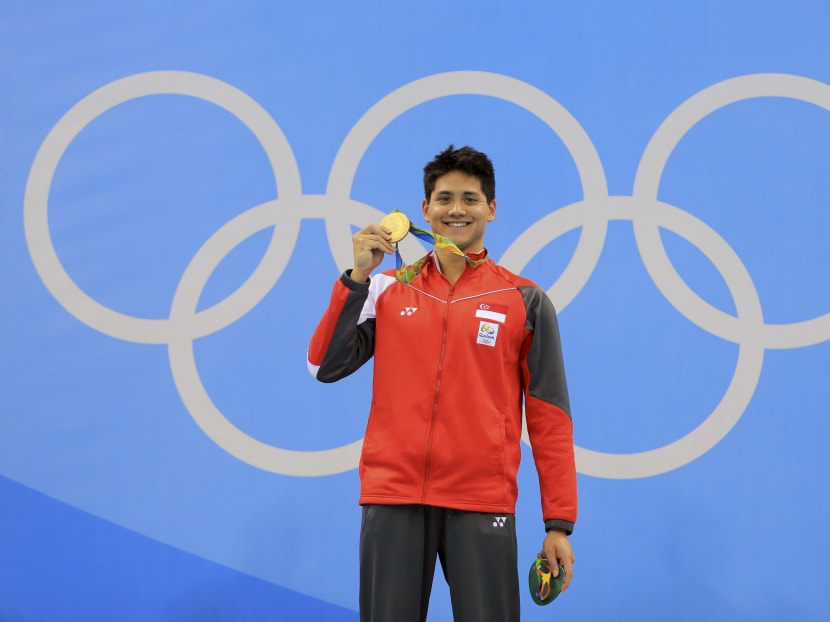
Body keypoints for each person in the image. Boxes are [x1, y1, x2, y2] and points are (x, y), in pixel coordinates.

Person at [307, 145, 577, 622]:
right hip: (394, 496)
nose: (457, 209)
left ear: (491, 209)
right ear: (425, 209)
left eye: (470, 199)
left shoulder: (526, 301)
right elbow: (324, 366)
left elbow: (549, 417)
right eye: (445, 198)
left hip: (481, 498)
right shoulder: (388, 289)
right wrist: (356, 277)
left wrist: (559, 523)